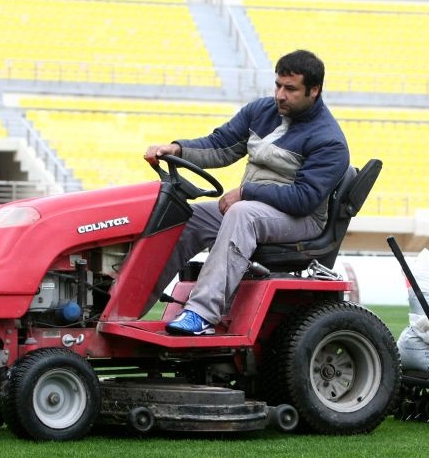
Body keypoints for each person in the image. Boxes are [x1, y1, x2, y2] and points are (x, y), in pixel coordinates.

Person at [143, 49, 350, 335]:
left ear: (314, 90)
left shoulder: (329, 141)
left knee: (242, 213)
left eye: (290, 89)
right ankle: (128, 302)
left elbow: (304, 200)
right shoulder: (261, 111)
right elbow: (220, 145)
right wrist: (177, 149)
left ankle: (201, 314)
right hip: (256, 207)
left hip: (301, 219)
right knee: (187, 216)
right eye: (278, 85)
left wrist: (246, 192)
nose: (280, 95)